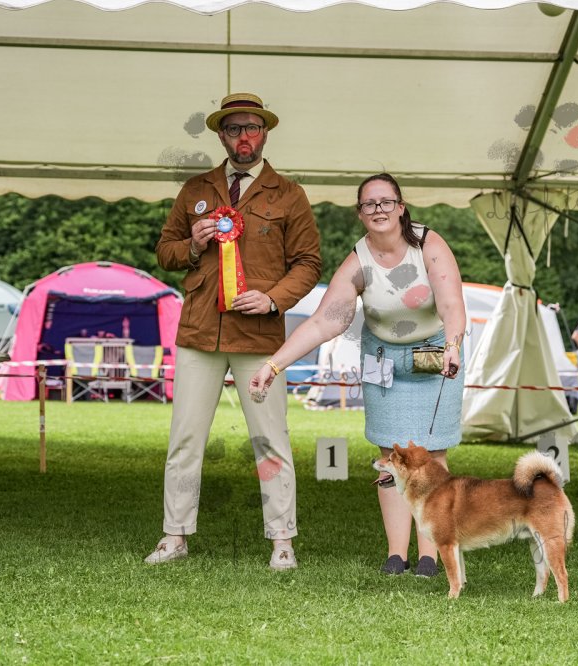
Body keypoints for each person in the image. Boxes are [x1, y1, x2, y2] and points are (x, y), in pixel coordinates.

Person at [250, 173, 466, 578]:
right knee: (390, 457)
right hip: (383, 359)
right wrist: (273, 365)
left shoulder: (429, 245)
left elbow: (452, 304)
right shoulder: (358, 261)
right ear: (360, 213)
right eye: (369, 204)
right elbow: (324, 321)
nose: (378, 209)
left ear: (401, 208)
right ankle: (396, 555)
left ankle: (430, 556)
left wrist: (454, 344)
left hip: (436, 354)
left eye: (386, 202)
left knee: (432, 454)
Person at [145, 92, 321, 570]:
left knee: (270, 439)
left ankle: (282, 540)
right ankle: (174, 535)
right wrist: (192, 244)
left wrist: (273, 298)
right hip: (199, 333)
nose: (244, 137)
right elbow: (165, 251)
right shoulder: (194, 189)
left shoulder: (290, 194)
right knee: (185, 439)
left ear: (265, 133)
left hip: (260, 337)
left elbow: (309, 263)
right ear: (221, 136)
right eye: (234, 129)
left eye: (252, 128)